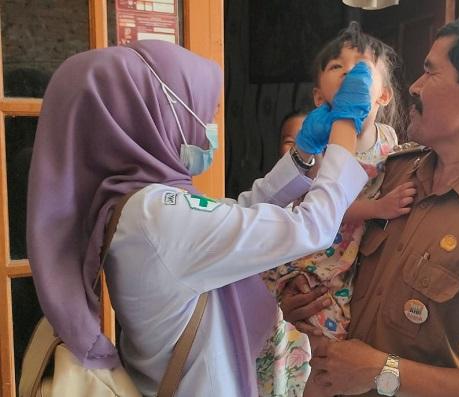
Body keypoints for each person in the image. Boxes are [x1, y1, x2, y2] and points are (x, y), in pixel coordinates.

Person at [26, 39, 375, 396]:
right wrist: (344, 127)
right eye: (203, 114)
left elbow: (237, 216)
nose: (209, 126)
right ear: (156, 114)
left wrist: (302, 154)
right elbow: (308, 228)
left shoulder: (137, 201)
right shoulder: (155, 214)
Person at [281, 17, 459, 397]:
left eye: (430, 72)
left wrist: (383, 372)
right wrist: (301, 300)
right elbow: (325, 236)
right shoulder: (390, 171)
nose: (414, 86)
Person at [257, 22, 417, 397]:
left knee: (348, 355)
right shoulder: (318, 148)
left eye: (362, 68)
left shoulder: (391, 143)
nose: (349, 74)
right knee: (324, 354)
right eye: (337, 67)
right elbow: (319, 207)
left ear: (384, 95)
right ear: (318, 96)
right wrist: (378, 207)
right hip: (317, 259)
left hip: (356, 264)